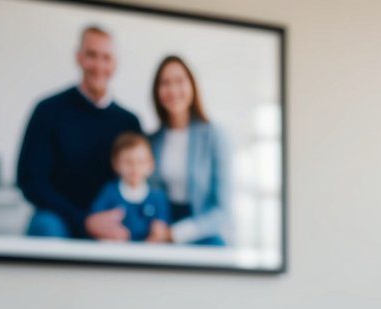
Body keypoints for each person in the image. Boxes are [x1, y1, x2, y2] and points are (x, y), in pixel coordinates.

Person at [16, 25, 142, 240]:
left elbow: (137, 181)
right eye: (91, 55)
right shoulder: (48, 111)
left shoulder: (129, 122)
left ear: (115, 63)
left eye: (106, 58)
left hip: (112, 220)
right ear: (78, 57)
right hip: (61, 218)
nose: (99, 65)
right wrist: (84, 221)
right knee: (46, 227)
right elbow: (30, 181)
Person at [147, 56, 231, 246]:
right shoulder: (151, 141)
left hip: (202, 231)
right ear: (157, 92)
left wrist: (174, 234)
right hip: (161, 228)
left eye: (179, 81)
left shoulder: (214, 136)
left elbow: (222, 210)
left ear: (192, 86)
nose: (173, 90)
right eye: (165, 83)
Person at [88, 133, 171, 243]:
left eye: (141, 162)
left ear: (151, 164)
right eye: (128, 162)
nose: (135, 168)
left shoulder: (157, 196)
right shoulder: (110, 192)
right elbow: (94, 222)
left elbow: (160, 230)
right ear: (116, 164)